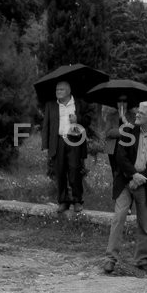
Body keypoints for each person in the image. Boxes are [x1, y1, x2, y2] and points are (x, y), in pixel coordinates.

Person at [103, 101, 147, 274]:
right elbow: (120, 156)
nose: (137, 115)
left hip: (145, 184)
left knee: (144, 224)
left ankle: (142, 260)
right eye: (137, 112)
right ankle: (110, 259)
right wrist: (133, 175)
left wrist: (141, 178)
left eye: (141, 113)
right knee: (118, 218)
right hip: (126, 181)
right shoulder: (129, 131)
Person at [41, 80, 92, 213]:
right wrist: (45, 145)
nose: (58, 92)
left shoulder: (79, 103)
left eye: (61, 89)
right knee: (60, 172)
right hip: (58, 141)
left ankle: (77, 200)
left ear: (69, 91)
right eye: (57, 89)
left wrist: (78, 120)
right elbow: (45, 126)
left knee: (75, 170)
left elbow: (88, 121)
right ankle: (63, 201)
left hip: (74, 140)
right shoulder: (50, 105)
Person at [100, 96, 130, 177]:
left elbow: (134, 132)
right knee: (115, 171)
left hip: (128, 147)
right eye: (120, 101)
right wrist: (121, 132)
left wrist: (125, 121)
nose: (122, 103)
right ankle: (116, 187)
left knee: (126, 171)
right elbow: (107, 133)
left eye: (124, 101)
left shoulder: (133, 116)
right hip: (113, 147)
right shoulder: (111, 116)